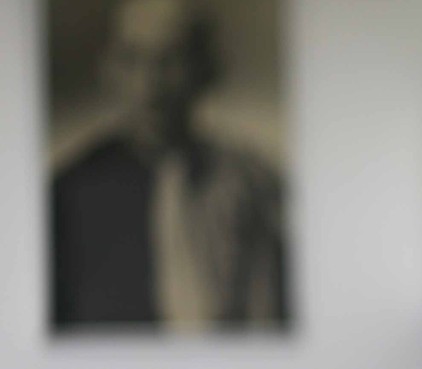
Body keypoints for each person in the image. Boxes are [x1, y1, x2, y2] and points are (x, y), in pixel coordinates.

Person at [51, 0, 287, 331]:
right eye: (133, 59)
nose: (151, 82)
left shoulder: (253, 184)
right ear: (109, 69)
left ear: (206, 68)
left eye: (172, 58)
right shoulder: (68, 193)